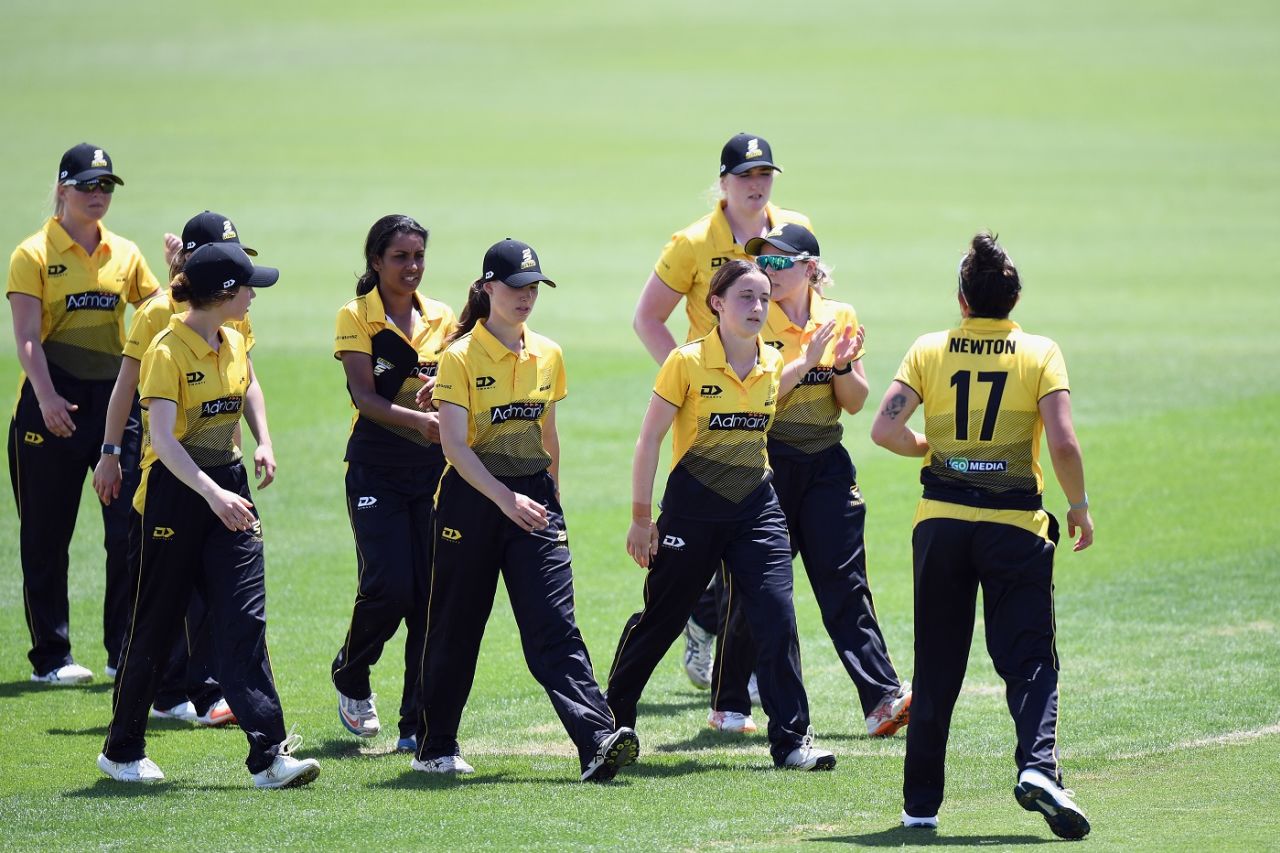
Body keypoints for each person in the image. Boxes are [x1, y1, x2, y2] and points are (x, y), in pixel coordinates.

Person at [870, 231, 1092, 838]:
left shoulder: (928, 349)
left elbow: (884, 431)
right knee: (1028, 660)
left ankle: (919, 809)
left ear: (962, 298)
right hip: (1014, 528)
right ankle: (1039, 767)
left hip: (939, 524)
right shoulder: (1040, 352)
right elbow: (1065, 442)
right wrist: (1079, 506)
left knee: (937, 666)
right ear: (1013, 299)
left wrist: (931, 447)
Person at [413, 238, 638, 782]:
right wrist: (505, 499)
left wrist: (549, 498)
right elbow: (455, 448)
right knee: (456, 628)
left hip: (534, 502)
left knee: (555, 628)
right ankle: (435, 744)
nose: (526, 297)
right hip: (473, 502)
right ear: (488, 287)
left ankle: (596, 742)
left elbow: (548, 436)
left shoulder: (549, 354)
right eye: (516, 287)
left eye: (534, 287)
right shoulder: (458, 358)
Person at [98, 242, 319, 788]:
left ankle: (269, 754)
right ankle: (121, 751)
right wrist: (210, 496)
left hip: (230, 486)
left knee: (245, 621)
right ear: (223, 294)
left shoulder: (235, 337)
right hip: (176, 498)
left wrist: (263, 441)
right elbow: (165, 442)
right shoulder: (166, 351)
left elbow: (249, 388)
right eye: (248, 288)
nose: (253, 296)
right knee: (155, 625)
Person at [608, 259, 837, 771]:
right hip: (691, 511)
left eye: (762, 298)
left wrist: (813, 358)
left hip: (757, 508)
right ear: (716, 303)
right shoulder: (684, 363)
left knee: (777, 616)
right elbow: (649, 440)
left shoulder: (773, 362)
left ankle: (792, 741)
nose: (757, 307)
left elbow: (785, 379)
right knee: (662, 619)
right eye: (745, 298)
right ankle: (611, 721)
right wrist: (642, 519)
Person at [704, 223, 912, 737]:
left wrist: (840, 366)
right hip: (763, 464)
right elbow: (755, 393)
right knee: (759, 589)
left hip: (826, 464)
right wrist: (807, 361)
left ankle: (882, 699)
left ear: (811, 269)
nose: (768, 272)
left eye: (780, 262)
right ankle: (730, 703)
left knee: (844, 581)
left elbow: (856, 401)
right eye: (763, 261)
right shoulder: (751, 316)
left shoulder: (839, 317)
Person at [633, 132, 811, 689]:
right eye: (746, 176)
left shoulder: (789, 230)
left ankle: (746, 669)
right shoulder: (690, 243)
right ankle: (703, 625)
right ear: (724, 182)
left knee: (760, 550)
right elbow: (648, 318)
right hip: (708, 412)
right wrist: (687, 380)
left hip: (776, 396)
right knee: (710, 536)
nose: (757, 186)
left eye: (766, 176)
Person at [92, 211, 259, 728]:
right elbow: (126, 388)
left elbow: (238, 379)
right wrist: (110, 451)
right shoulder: (158, 316)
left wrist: (254, 440)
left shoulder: (232, 316)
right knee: (164, 596)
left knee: (218, 593)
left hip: (214, 465)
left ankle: (209, 693)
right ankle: (158, 696)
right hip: (166, 465)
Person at [6, 143, 161, 685]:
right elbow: (26, 338)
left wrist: (184, 274)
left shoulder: (125, 253)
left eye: (106, 187)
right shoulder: (32, 253)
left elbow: (158, 314)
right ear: (63, 189)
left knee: (125, 533)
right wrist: (46, 398)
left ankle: (121, 649)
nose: (98, 196)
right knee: (46, 535)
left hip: (111, 408)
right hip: (49, 404)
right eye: (88, 186)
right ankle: (51, 656)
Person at [331, 214, 456, 753]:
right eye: (401, 257)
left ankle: (415, 723)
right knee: (390, 586)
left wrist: (440, 401)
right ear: (376, 261)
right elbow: (365, 398)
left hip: (432, 473)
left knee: (429, 598)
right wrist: (421, 421)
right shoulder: (357, 317)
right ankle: (351, 673)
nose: (412, 267)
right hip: (375, 467)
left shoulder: (444, 318)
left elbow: (453, 383)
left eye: (419, 257)